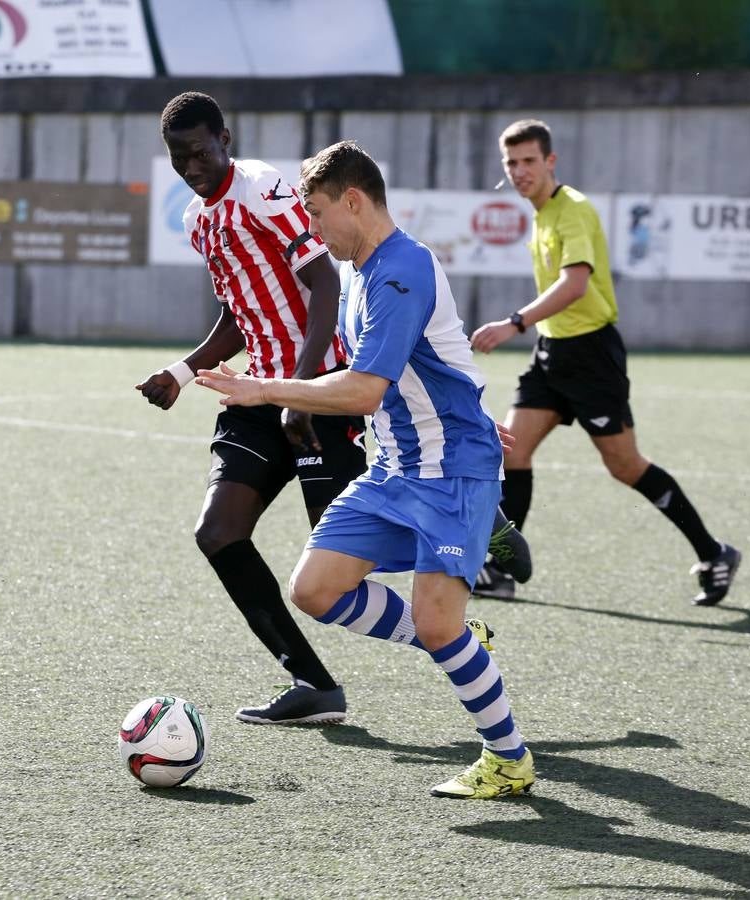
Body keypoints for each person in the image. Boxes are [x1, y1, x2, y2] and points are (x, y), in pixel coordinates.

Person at [196, 140, 535, 799]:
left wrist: (268, 389)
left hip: (451, 469)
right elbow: (427, 360)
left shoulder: (399, 270)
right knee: (316, 589)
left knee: (437, 624)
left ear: (354, 200)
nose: (313, 229)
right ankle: (465, 640)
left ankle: (509, 760)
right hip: (397, 464)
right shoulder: (356, 269)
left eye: (317, 213)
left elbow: (364, 389)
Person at [136, 92, 365, 725]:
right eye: (180, 158)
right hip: (255, 395)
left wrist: (302, 389)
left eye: (202, 152)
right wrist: (182, 372)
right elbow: (243, 312)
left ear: (226, 139)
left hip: (316, 390)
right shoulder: (195, 221)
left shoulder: (263, 187)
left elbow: (324, 282)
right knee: (218, 533)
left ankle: (474, 534)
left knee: (340, 572)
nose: (192, 166)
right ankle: (312, 683)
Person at [469, 119, 740, 607]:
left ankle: (714, 552)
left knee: (625, 465)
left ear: (550, 161)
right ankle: (501, 569)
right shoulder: (541, 212)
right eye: (512, 162)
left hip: (591, 356)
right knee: (511, 451)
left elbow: (575, 285)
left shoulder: (572, 210)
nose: (519, 170)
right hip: (551, 354)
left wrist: (514, 322)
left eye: (529, 160)